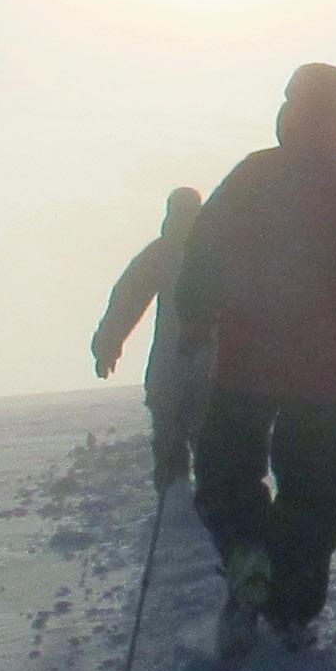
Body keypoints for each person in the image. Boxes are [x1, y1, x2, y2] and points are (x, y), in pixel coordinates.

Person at [175, 63, 336, 659]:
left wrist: (195, 317)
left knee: (224, 473)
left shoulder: (254, 175)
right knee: (311, 490)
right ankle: (292, 611)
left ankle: (246, 554)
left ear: (289, 112)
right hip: (320, 374)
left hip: (245, 362)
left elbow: (204, 249)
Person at [91, 185, 212, 487]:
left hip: (185, 362)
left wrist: (107, 344)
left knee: (179, 432)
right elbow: (127, 299)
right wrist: (107, 344)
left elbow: (126, 299)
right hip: (199, 361)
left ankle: (181, 494)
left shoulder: (165, 252)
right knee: (195, 435)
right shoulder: (216, 250)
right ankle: (187, 495)